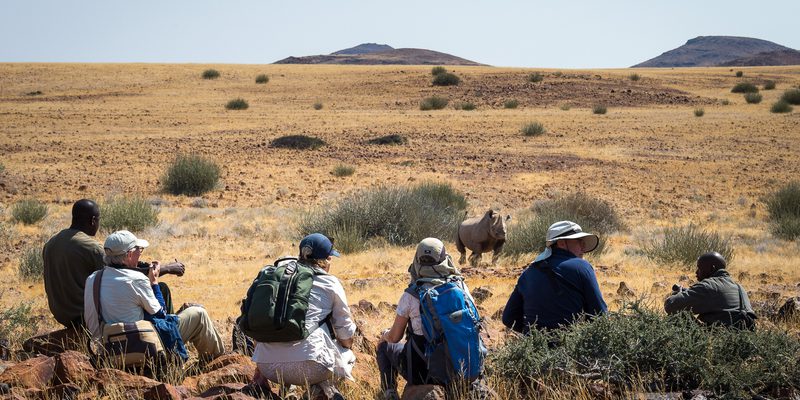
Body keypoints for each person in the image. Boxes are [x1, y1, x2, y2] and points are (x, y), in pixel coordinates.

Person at [84, 230, 224, 362]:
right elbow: (161, 314)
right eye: (139, 250)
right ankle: (214, 363)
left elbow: (91, 322)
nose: (140, 254)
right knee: (199, 314)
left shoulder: (93, 279)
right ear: (129, 255)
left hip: (109, 351)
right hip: (142, 348)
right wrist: (154, 282)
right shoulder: (136, 279)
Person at [43, 199, 185, 329]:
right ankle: (169, 334)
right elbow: (123, 274)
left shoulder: (51, 243)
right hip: (86, 315)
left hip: (62, 314)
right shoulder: (91, 248)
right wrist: (165, 269)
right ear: (93, 221)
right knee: (161, 289)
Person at [251, 233, 356, 400]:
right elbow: (345, 335)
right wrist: (345, 345)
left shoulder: (279, 278)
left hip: (267, 367)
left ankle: (290, 389)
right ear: (326, 260)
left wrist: (261, 366)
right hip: (312, 368)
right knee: (348, 356)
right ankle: (320, 389)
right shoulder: (330, 283)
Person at [376, 237, 483, 400]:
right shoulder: (461, 288)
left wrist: (384, 336)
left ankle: (389, 393)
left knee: (384, 346)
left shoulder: (411, 295)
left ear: (417, 260)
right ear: (445, 259)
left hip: (422, 373)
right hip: (459, 369)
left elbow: (395, 337)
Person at [502, 220, 607, 333]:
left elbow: (508, 318)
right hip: (570, 343)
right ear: (561, 243)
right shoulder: (582, 267)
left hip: (533, 344)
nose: (583, 247)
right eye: (579, 241)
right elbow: (600, 314)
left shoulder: (528, 273)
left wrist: (533, 336)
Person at [664, 251, 757, 329]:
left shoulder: (708, 285)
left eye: (699, 268)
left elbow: (670, 305)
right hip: (745, 337)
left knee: (677, 315)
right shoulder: (739, 287)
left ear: (712, 269)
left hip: (720, 338)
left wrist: (678, 294)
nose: (696, 272)